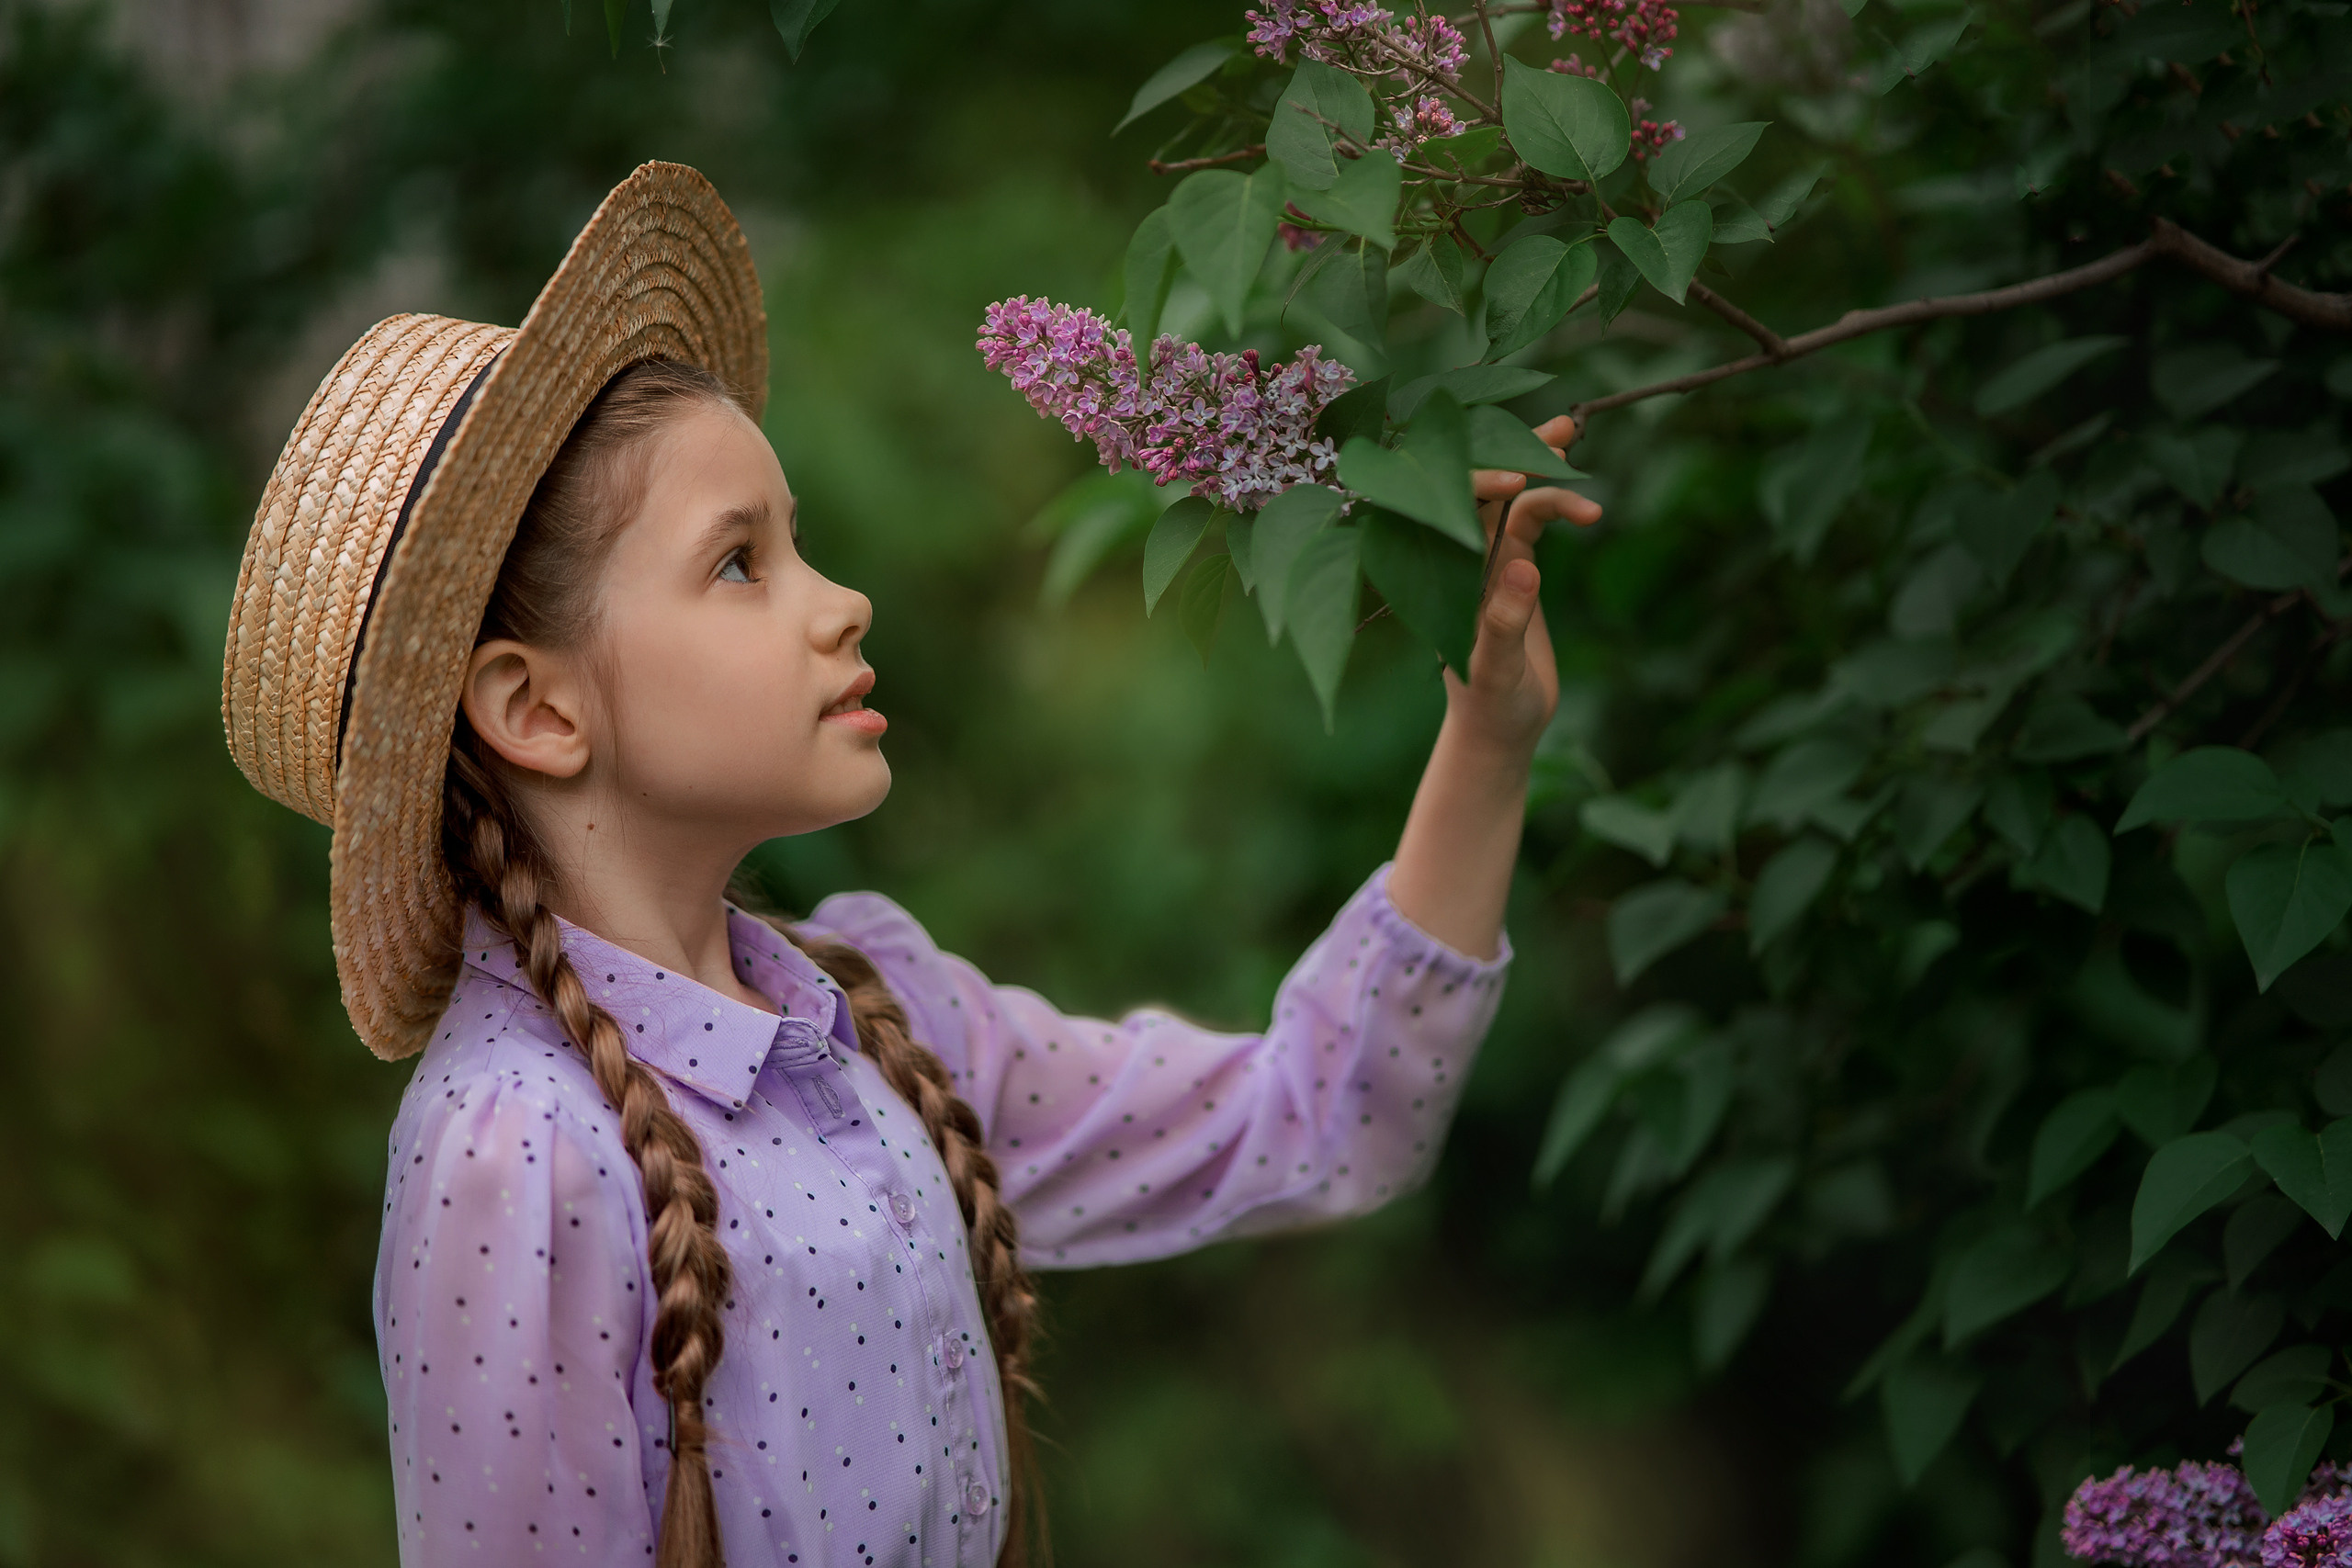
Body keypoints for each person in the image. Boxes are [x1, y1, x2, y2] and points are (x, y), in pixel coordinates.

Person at [220, 162, 1599, 1568]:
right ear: (538, 710)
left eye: (797, 540)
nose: (843, 601)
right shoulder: (518, 1150)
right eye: (741, 564)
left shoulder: (882, 1025)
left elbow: (1317, 1118)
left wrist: (1490, 737)